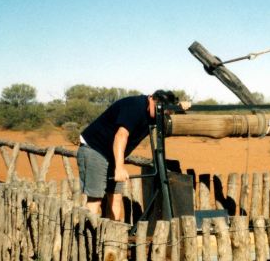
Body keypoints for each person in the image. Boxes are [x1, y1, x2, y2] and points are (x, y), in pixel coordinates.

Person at [77, 90, 190, 220]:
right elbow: (121, 136)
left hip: (110, 154)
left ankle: (112, 238)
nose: (163, 116)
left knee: (116, 197)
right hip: (95, 149)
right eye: (163, 112)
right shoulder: (135, 107)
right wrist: (119, 168)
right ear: (152, 101)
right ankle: (87, 237)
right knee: (95, 199)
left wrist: (180, 107)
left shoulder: (153, 112)